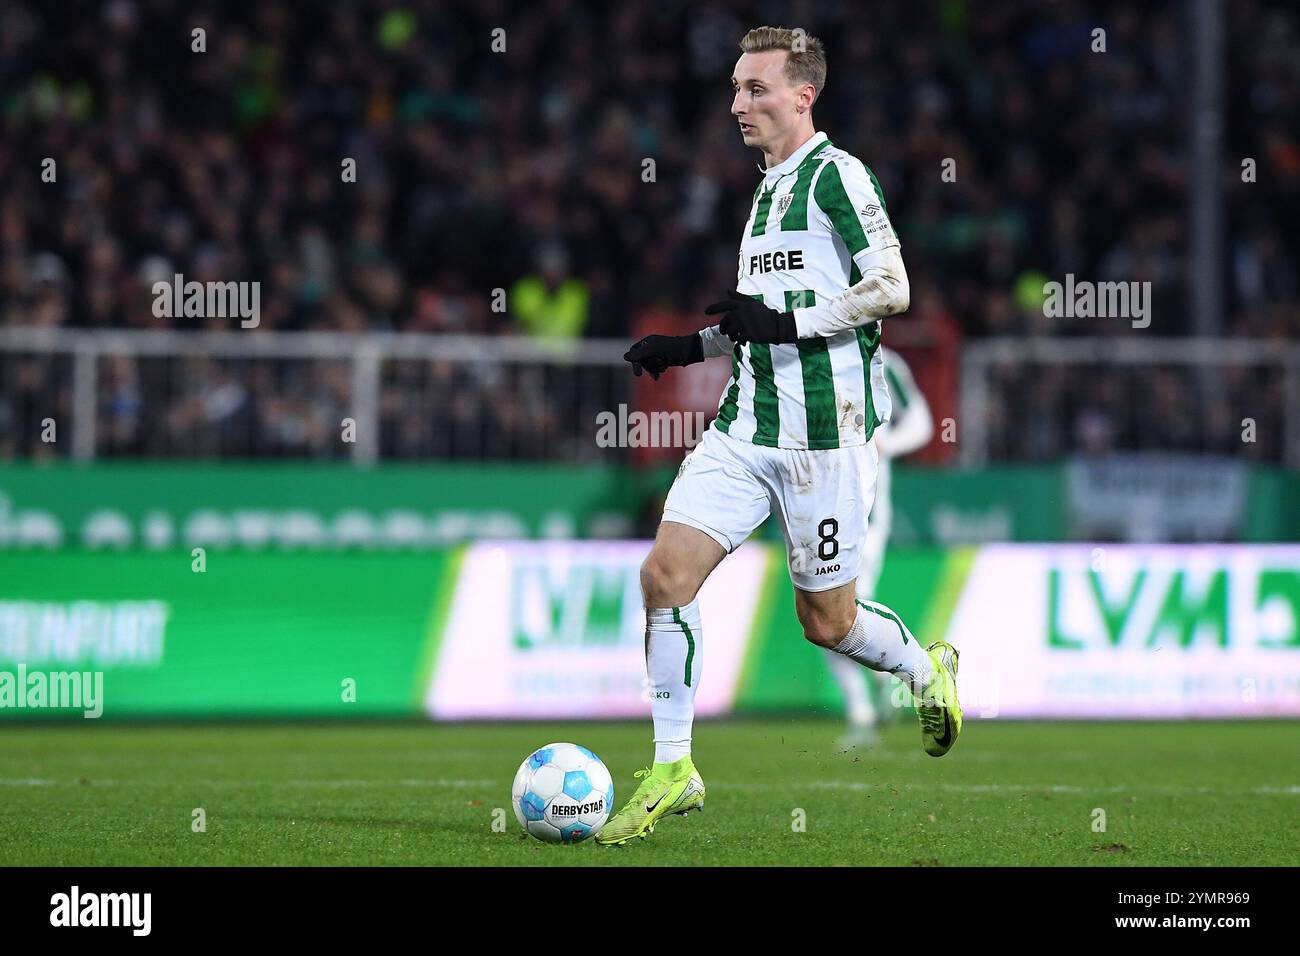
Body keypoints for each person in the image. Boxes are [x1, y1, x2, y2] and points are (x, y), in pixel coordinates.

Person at [599, 26, 960, 846]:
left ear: (804, 95)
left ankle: (922, 667)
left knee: (826, 624)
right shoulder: (763, 192)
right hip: (742, 428)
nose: (737, 104)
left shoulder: (838, 177)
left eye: (756, 89)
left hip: (826, 440)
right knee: (663, 577)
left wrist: (787, 321)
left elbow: (893, 286)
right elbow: (757, 323)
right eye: (734, 89)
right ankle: (672, 771)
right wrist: (690, 347)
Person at [825, 347, 934, 749]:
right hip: (816, 501)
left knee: (842, 607)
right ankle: (887, 683)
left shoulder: (884, 362)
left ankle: (869, 708)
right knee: (822, 615)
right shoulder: (801, 356)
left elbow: (921, 421)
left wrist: (886, 445)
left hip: (863, 508)